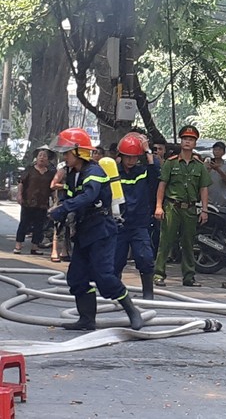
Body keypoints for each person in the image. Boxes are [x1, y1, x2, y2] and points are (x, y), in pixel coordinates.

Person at [48, 127, 143, 330]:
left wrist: (64, 208)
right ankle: (87, 319)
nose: (64, 157)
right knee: (77, 277)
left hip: (101, 231)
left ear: (79, 152)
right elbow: (71, 195)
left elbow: (89, 197)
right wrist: (61, 209)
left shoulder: (95, 172)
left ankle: (132, 311)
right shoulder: (73, 174)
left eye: (67, 152)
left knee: (104, 277)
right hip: (83, 232)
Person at [153, 125, 212, 288]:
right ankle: (159, 274)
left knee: (188, 243)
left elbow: (204, 188)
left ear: (195, 143)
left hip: (190, 208)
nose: (187, 141)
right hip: (172, 206)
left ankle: (189, 277)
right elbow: (162, 185)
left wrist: (204, 209)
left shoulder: (199, 166)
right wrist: (158, 206)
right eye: (185, 139)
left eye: (191, 139)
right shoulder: (171, 163)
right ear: (181, 142)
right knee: (166, 241)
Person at [114, 133, 160, 300]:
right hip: (119, 224)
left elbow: (156, 174)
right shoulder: (114, 173)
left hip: (139, 224)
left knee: (145, 258)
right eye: (128, 157)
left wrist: (148, 150)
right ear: (121, 156)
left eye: (134, 157)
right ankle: (116, 294)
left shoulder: (142, 172)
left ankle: (148, 294)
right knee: (116, 261)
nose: (131, 161)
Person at [14, 148, 55, 255]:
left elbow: (52, 188)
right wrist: (19, 195)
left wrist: (55, 201)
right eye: (40, 155)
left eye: (44, 156)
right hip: (28, 201)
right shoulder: (30, 169)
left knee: (39, 225)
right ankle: (18, 245)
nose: (42, 157)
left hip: (42, 203)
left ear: (48, 160)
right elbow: (21, 182)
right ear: (36, 158)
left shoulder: (50, 173)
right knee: (24, 223)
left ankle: (34, 247)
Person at [206, 141, 226, 207]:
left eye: (219, 150)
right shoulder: (207, 164)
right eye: (215, 150)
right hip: (208, 199)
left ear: (224, 152)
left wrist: (218, 169)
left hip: (223, 200)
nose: (217, 152)